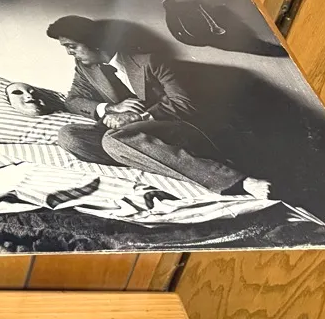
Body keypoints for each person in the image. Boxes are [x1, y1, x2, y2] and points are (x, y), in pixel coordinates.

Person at [44, 15, 272, 198]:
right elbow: (72, 101)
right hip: (131, 136)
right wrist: (111, 109)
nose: (69, 53)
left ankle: (238, 181)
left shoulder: (150, 61)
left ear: (94, 42)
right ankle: (155, 159)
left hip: (174, 127)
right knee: (69, 136)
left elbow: (183, 103)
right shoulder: (86, 68)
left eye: (72, 46)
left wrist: (136, 117)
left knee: (113, 140)